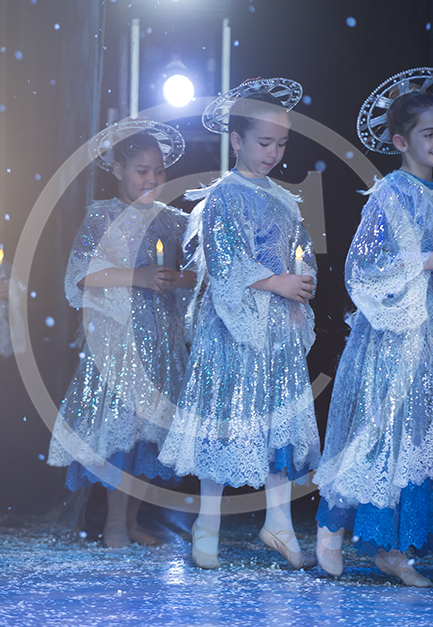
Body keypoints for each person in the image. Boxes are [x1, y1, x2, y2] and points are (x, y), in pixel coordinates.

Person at [159, 78, 320, 569]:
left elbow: (300, 248)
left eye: (281, 143)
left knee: (276, 423)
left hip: (278, 328)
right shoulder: (225, 195)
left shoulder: (284, 198)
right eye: (264, 142)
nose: (273, 153)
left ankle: (279, 522)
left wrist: (302, 280)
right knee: (224, 419)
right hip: (233, 327)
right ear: (237, 139)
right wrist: (278, 282)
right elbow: (224, 261)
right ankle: (207, 523)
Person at [48, 123, 195, 547]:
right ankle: (114, 520)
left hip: (161, 343)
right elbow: (82, 273)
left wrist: (176, 278)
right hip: (120, 343)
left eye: (159, 171)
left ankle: (131, 520)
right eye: (142, 171)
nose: (152, 179)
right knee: (121, 431)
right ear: (118, 170)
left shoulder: (171, 221)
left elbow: (197, 274)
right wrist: (139, 276)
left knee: (148, 436)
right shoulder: (104, 217)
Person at [314, 68, 433, 587]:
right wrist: (422, 262)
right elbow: (361, 268)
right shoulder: (392, 193)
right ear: (402, 142)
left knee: (417, 437)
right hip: (392, 335)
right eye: (430, 133)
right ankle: (332, 526)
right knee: (379, 432)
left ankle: (394, 548)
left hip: (427, 336)